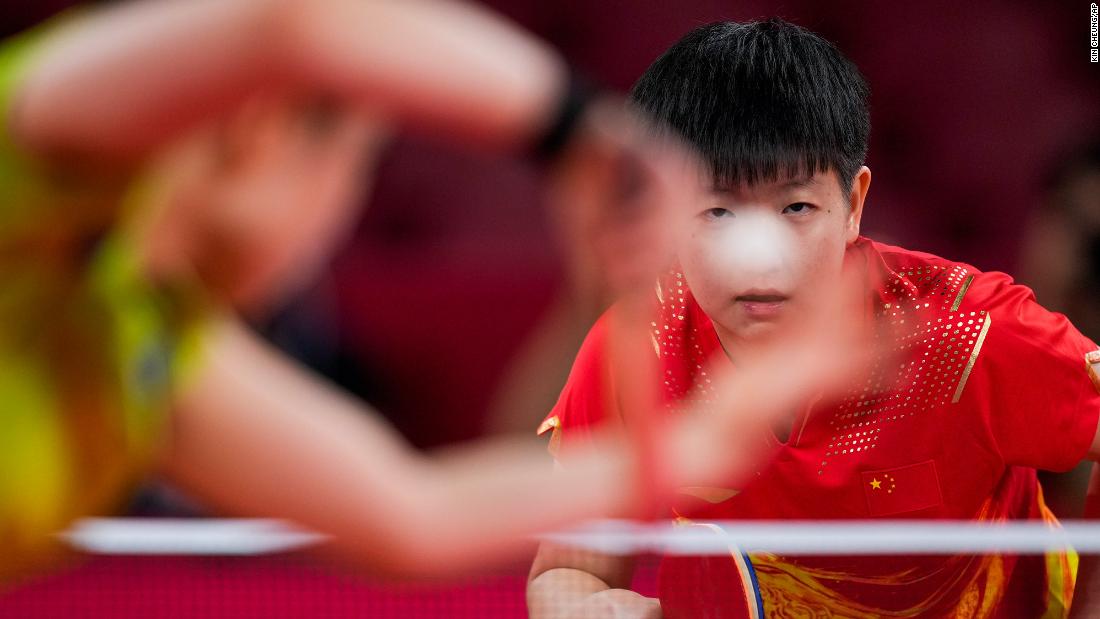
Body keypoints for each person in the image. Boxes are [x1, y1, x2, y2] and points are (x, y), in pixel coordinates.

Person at [0, 0, 869, 583]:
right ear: (265, 129)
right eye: (358, 168)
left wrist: (707, 439)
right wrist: (575, 128)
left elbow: (418, 515)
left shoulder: (143, 347)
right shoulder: (36, 169)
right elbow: (294, 20)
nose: (338, 220)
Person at [527, 19, 1100, 618]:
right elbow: (569, 571)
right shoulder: (635, 349)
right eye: (716, 210)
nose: (761, 260)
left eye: (796, 206)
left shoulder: (969, 333)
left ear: (853, 204)